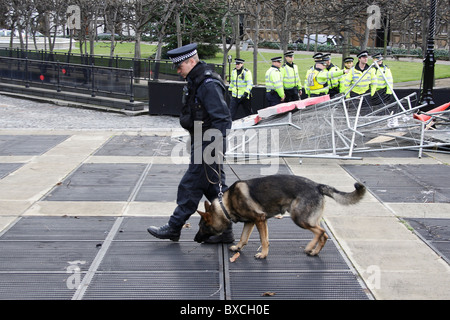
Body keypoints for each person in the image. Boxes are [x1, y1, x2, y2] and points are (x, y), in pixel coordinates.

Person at [147, 43, 234, 243]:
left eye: (180, 66)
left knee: (190, 185)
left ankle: (174, 226)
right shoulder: (197, 81)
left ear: (191, 61)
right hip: (202, 141)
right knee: (214, 189)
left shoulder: (207, 84)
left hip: (208, 144)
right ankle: (225, 231)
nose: (178, 71)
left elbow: (223, 119)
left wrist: (213, 148)